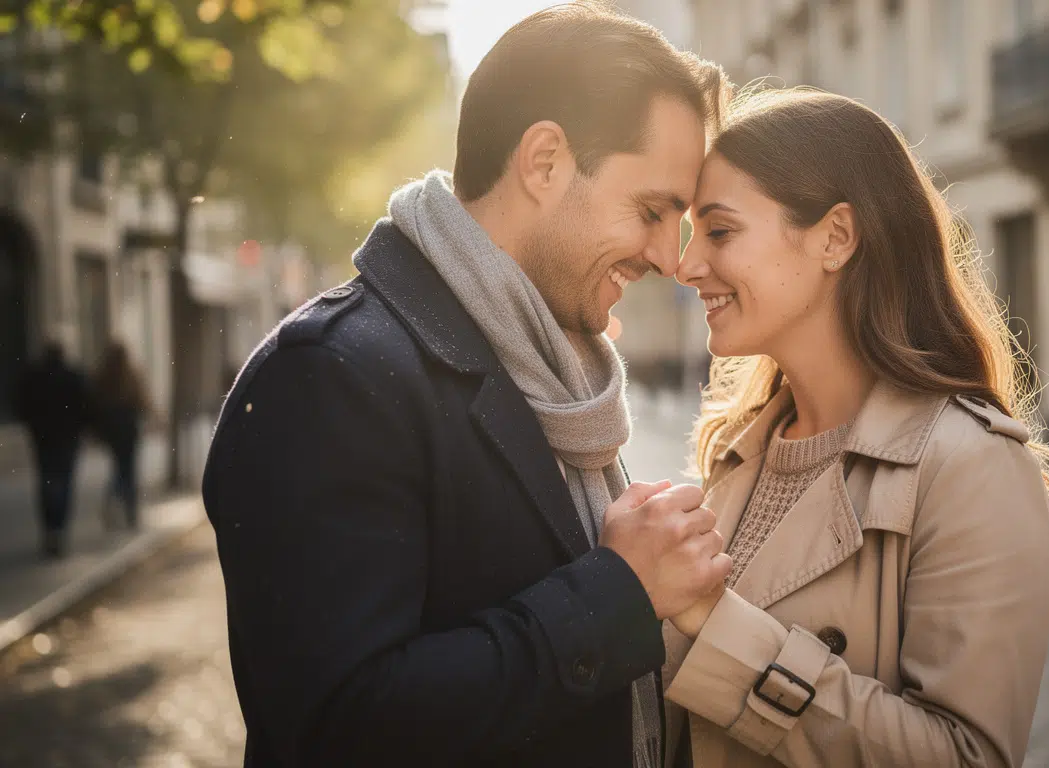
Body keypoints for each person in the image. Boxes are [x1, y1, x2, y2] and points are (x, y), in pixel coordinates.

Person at [202, 5, 731, 767]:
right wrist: (616, 591)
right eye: (652, 211)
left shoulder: (554, 370)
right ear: (544, 160)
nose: (669, 256)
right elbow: (342, 728)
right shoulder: (328, 376)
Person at [661, 89, 1049, 768]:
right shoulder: (738, 452)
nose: (686, 265)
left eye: (719, 230)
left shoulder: (972, 468)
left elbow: (965, 757)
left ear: (835, 237)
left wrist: (716, 627)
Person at [15, 341, 90, 558]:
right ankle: (59, 530)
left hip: (43, 439)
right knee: (64, 482)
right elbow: (86, 405)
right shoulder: (72, 376)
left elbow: (21, 403)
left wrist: (33, 425)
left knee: (47, 482)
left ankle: (50, 530)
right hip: (67, 439)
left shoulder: (34, 377)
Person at [90, 342, 151, 530]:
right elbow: (143, 400)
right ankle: (131, 514)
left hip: (112, 430)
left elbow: (95, 404)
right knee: (129, 469)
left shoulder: (103, 376)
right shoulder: (131, 375)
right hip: (129, 428)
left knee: (119, 467)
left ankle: (112, 501)